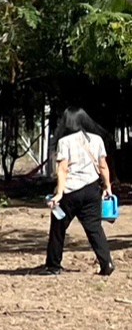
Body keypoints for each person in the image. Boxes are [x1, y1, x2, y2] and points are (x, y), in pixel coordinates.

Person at [43, 108, 114, 276]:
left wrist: (59, 193)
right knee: (94, 228)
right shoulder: (97, 140)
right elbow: (103, 166)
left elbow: (63, 169)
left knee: (58, 226)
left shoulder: (64, 141)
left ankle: (53, 265)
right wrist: (107, 187)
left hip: (71, 191)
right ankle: (106, 263)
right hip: (92, 189)